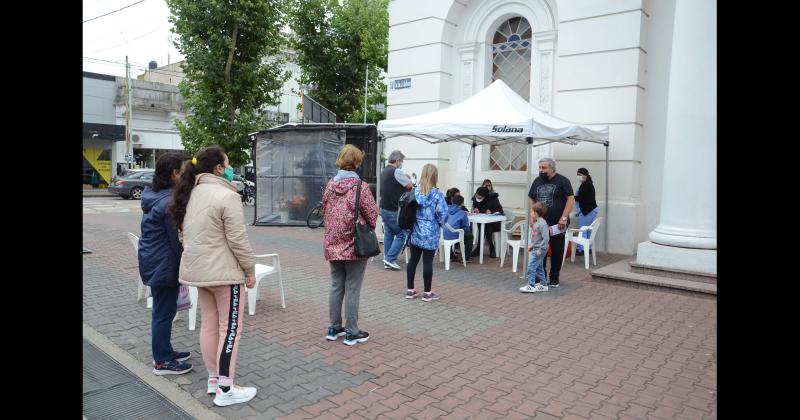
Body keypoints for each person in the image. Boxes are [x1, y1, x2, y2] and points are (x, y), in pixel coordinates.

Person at [170, 146, 258, 407]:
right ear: (219, 168)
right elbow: (238, 240)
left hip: (200, 274)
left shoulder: (189, 194)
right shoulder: (226, 195)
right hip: (225, 275)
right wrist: (250, 270)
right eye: (228, 164)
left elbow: (183, 235)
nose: (230, 168)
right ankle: (226, 388)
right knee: (230, 330)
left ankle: (214, 379)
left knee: (209, 326)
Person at [138, 153, 192, 376]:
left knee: (164, 311)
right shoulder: (168, 202)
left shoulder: (153, 193)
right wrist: (187, 261)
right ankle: (162, 362)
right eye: (183, 170)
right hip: (163, 263)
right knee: (163, 312)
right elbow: (175, 240)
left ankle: (166, 352)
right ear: (174, 174)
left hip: (154, 259)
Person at [322, 144, 378, 346]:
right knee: (352, 287)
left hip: (332, 242)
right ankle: (352, 332)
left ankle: (333, 327)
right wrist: (368, 225)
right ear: (356, 163)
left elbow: (324, 210)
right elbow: (372, 214)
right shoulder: (360, 187)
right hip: (354, 243)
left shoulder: (330, 185)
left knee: (336, 285)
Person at [528, 158, 574, 288]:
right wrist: (532, 217)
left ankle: (554, 278)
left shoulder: (562, 180)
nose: (541, 170)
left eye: (544, 168)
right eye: (540, 168)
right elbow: (531, 198)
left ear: (552, 168)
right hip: (541, 224)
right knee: (539, 249)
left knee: (556, 251)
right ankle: (540, 278)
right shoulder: (537, 181)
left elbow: (570, 199)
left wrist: (564, 217)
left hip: (557, 224)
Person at [406, 164, 447, 302]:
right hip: (431, 232)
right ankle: (427, 293)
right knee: (428, 262)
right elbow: (443, 214)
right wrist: (440, 223)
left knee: (413, 260)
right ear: (434, 176)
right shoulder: (438, 194)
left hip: (416, 231)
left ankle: (410, 290)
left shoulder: (415, 192)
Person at [379, 150, 413, 270]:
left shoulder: (384, 170)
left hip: (383, 208)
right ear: (397, 160)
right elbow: (410, 185)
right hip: (393, 209)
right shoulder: (396, 171)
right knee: (401, 234)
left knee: (389, 234)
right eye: (401, 161)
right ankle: (390, 259)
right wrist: (408, 178)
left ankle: (387, 260)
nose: (401, 163)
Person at [520, 202, 550, 293]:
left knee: (531, 267)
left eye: (532, 212)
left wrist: (541, 249)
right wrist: (532, 246)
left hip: (539, 250)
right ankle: (543, 285)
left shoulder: (543, 224)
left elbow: (546, 238)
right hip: (535, 249)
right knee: (539, 267)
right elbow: (536, 238)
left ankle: (531, 285)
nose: (531, 213)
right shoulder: (536, 223)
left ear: (536, 213)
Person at [470, 186, 504, 258]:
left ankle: (487, 247)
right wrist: (475, 210)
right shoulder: (475, 198)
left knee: (487, 227)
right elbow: (474, 208)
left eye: (479, 198)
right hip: (482, 221)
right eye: (476, 196)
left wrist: (491, 211)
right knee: (482, 225)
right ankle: (489, 247)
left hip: (494, 223)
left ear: (485, 197)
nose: (477, 198)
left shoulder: (493, 199)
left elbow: (501, 211)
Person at [574, 168, 598, 256]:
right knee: (588, 230)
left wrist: (570, 197)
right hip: (591, 210)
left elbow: (580, 198)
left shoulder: (586, 185)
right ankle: (588, 248)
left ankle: (582, 249)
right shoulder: (587, 184)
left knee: (582, 230)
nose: (578, 176)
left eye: (580, 174)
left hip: (588, 211)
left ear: (585, 175)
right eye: (577, 174)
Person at [444, 194, 473, 263]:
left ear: (452, 201)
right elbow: (466, 228)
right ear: (462, 203)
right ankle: (466, 258)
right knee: (469, 236)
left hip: (444, 234)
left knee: (453, 230)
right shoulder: (462, 213)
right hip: (454, 235)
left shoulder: (446, 209)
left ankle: (452, 255)